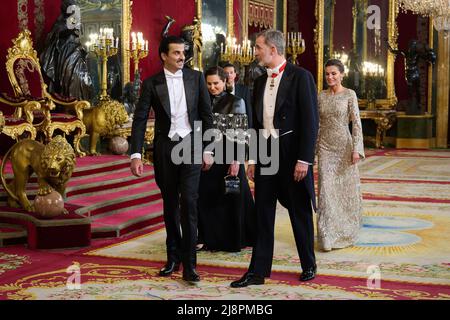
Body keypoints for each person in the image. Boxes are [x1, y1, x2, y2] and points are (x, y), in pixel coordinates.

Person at [230, 29, 318, 288]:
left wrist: (304, 159)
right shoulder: (258, 81)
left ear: (273, 49)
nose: (255, 51)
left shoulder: (301, 77)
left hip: (292, 156)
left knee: (299, 211)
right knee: (263, 214)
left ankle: (308, 264)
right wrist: (253, 159)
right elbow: (256, 125)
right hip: (266, 155)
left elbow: (310, 122)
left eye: (258, 47)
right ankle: (257, 271)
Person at [130, 35, 214, 283]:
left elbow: (207, 115)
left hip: (191, 145)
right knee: (170, 205)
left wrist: (208, 148)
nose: (181, 57)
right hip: (165, 148)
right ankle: (173, 258)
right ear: (164, 56)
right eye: (176, 53)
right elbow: (140, 119)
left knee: (189, 201)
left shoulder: (196, 78)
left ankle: (190, 265)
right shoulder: (151, 83)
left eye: (183, 52)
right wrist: (136, 153)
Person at [197, 66, 256, 252]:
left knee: (230, 197)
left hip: (228, 156)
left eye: (216, 83)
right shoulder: (201, 102)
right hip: (207, 156)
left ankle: (232, 240)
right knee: (206, 198)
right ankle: (207, 238)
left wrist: (237, 160)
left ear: (225, 82)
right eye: (209, 84)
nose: (213, 87)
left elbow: (241, 133)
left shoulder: (236, 101)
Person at [316, 59, 365, 252]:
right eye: (327, 74)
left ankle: (344, 230)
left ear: (342, 74)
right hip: (325, 148)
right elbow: (317, 125)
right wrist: (312, 151)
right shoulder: (320, 96)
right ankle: (327, 235)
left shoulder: (349, 94)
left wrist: (356, 149)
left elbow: (357, 123)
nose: (330, 77)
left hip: (344, 147)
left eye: (334, 73)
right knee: (326, 191)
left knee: (343, 192)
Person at [40, 0, 93, 100]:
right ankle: (68, 102)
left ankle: (80, 101)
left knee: (82, 79)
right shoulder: (61, 23)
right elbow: (57, 34)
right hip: (66, 52)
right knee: (69, 77)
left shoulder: (75, 21)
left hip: (76, 52)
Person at [387, 39, 436, 115]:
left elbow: (427, 57)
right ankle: (415, 103)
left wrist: (430, 53)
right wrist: (388, 46)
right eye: (412, 46)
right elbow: (394, 51)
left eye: (413, 46)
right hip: (411, 73)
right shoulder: (408, 53)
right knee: (413, 90)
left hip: (412, 73)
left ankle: (416, 104)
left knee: (415, 89)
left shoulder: (414, 53)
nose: (412, 48)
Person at [222, 62, 253, 128]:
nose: (229, 75)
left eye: (231, 72)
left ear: (235, 74)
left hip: (239, 127)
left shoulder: (244, 90)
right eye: (226, 73)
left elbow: (248, 111)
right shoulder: (219, 89)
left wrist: (249, 129)